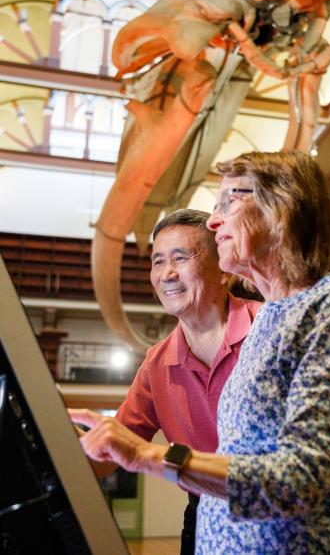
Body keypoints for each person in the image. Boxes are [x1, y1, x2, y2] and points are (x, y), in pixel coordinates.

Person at [71, 150, 330, 553]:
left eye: (228, 203)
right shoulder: (272, 319)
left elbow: (303, 476)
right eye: (158, 261)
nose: (214, 221)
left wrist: (148, 455)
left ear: (282, 209)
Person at [74, 208, 260, 554]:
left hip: (278, 508)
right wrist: (60, 442)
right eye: (158, 262)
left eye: (181, 257)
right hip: (204, 513)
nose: (167, 274)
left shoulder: (270, 328)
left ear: (224, 268)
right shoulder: (156, 364)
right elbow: (108, 457)